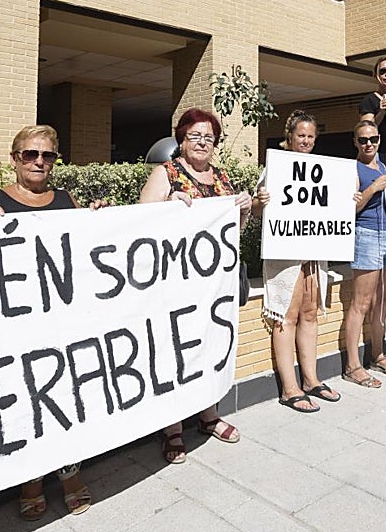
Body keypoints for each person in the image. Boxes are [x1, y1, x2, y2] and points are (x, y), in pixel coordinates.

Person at [0, 125, 94, 522]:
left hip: (60, 321)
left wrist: (95, 222)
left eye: (47, 156)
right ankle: (31, 481)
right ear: (14, 159)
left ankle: (70, 474)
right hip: (15, 327)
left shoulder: (66, 200)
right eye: (30, 155)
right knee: (25, 403)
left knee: (65, 397)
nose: (39, 162)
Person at [138, 108, 253, 462]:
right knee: (174, 351)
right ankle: (172, 428)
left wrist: (245, 210)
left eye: (209, 137)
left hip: (213, 286)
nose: (202, 143)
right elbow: (140, 219)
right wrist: (166, 205)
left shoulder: (220, 177)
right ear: (181, 140)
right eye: (195, 136)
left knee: (209, 347)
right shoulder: (166, 173)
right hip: (175, 285)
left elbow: (235, 232)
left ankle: (208, 415)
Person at [252, 110, 340, 414]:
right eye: (301, 135)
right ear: (289, 136)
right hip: (285, 256)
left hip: (313, 253)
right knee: (285, 316)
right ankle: (290, 388)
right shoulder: (275, 168)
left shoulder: (322, 169)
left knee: (310, 313)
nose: (305, 140)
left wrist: (348, 201)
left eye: (310, 136)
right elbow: (256, 209)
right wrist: (259, 203)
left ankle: (311, 379)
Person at [342, 120, 386, 388]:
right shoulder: (352, 170)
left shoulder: (383, 166)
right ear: (355, 142)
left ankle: (378, 354)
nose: (369, 144)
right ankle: (352, 365)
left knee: (382, 301)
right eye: (363, 140)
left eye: (374, 139)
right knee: (361, 302)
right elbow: (349, 210)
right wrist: (372, 189)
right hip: (365, 235)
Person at [359, 57, 386, 167]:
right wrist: (381, 112)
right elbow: (365, 131)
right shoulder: (369, 100)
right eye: (383, 71)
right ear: (375, 75)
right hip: (380, 154)